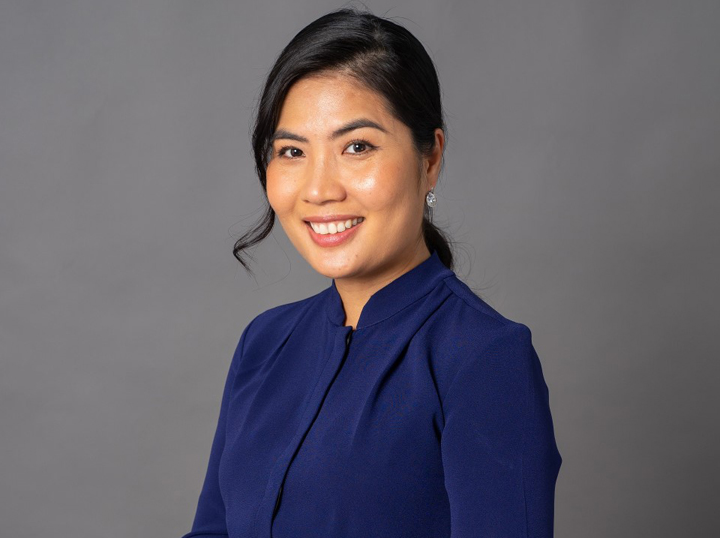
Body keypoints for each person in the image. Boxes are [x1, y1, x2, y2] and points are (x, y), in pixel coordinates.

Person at [181, 8, 562, 538]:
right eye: (291, 151)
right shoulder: (263, 344)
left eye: (356, 147)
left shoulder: (485, 359)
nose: (319, 189)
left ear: (430, 159)